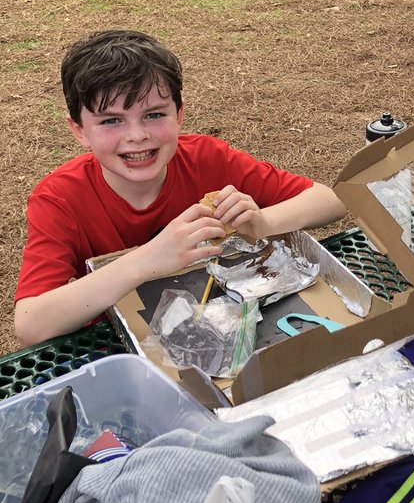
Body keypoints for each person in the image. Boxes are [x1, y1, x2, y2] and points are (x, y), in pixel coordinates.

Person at [14, 29, 347, 345]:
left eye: (154, 114)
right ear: (79, 130)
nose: (137, 135)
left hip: (226, 324)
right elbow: (31, 323)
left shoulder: (209, 159)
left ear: (179, 115)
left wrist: (262, 223)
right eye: (111, 120)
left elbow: (331, 201)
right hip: (116, 347)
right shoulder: (59, 198)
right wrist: (147, 260)